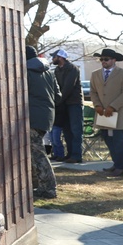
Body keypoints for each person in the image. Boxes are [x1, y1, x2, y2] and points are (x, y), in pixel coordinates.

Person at [89, 48, 123, 177]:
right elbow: (93, 91)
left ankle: (122, 167)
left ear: (114, 60)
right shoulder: (95, 74)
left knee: (118, 140)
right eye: (101, 59)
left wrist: (113, 107)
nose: (103, 61)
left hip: (117, 113)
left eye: (106, 59)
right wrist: (97, 105)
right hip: (102, 113)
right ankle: (116, 164)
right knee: (108, 139)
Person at [27, 45, 60, 198]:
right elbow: (58, 95)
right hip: (47, 115)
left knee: (38, 153)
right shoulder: (49, 71)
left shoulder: (25, 72)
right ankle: (38, 184)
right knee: (35, 151)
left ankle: (48, 188)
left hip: (32, 116)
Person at [50, 48, 84, 163]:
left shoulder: (72, 68)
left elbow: (68, 87)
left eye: (54, 57)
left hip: (74, 103)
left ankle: (76, 155)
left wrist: (58, 99)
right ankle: (69, 155)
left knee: (76, 130)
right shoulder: (57, 70)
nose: (52, 59)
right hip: (63, 104)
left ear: (60, 57)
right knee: (67, 130)